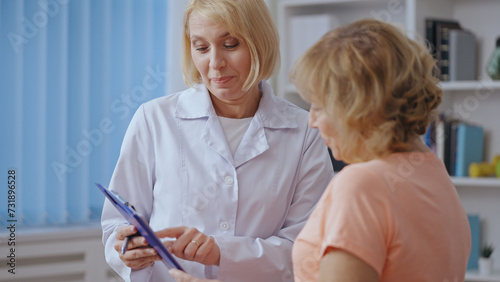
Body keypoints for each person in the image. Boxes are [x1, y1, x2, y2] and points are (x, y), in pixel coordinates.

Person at [100, 0, 333, 281]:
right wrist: (127, 249)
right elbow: (116, 225)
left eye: (231, 44)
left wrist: (222, 252)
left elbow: (305, 249)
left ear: (261, 43)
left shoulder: (304, 132)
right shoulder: (155, 119)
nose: (215, 63)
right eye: (201, 47)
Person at [290, 19, 471, 281]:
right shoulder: (434, 172)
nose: (312, 121)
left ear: (357, 108)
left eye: (318, 107)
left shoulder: (361, 185)